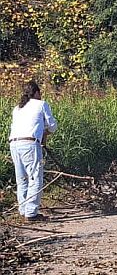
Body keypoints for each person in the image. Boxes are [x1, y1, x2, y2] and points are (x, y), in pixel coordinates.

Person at [8, 79, 58, 221]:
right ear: (36, 93)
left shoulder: (17, 108)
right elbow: (52, 126)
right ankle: (31, 213)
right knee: (35, 178)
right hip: (30, 144)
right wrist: (45, 133)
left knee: (22, 178)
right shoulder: (41, 104)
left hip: (14, 144)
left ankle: (23, 210)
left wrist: (41, 132)